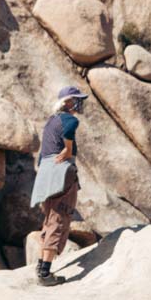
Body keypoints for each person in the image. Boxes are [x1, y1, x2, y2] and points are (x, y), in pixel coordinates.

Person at [30, 85, 89, 285]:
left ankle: (41, 264)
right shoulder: (69, 119)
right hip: (62, 172)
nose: (80, 104)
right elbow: (70, 131)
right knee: (60, 217)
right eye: (77, 99)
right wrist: (69, 149)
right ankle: (45, 274)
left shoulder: (50, 122)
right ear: (69, 102)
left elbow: (43, 153)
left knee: (49, 218)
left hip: (46, 174)